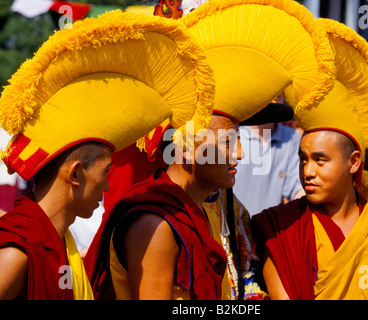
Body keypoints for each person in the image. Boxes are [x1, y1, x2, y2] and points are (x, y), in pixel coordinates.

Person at [84, 0, 336, 300]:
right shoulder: (155, 219)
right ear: (188, 148)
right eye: (229, 141)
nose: (241, 153)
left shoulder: (222, 204)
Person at [0, 10, 215, 300]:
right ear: (75, 174)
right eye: (105, 172)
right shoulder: (17, 253)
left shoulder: (60, 240)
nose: (108, 185)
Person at [253, 18, 368, 300]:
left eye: (320, 160)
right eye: (303, 159)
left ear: (353, 162)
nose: (307, 172)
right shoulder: (281, 227)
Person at [233, 119, 304, 216]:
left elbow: (296, 188)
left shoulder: (291, 137)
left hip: (270, 228)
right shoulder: (235, 135)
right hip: (235, 226)